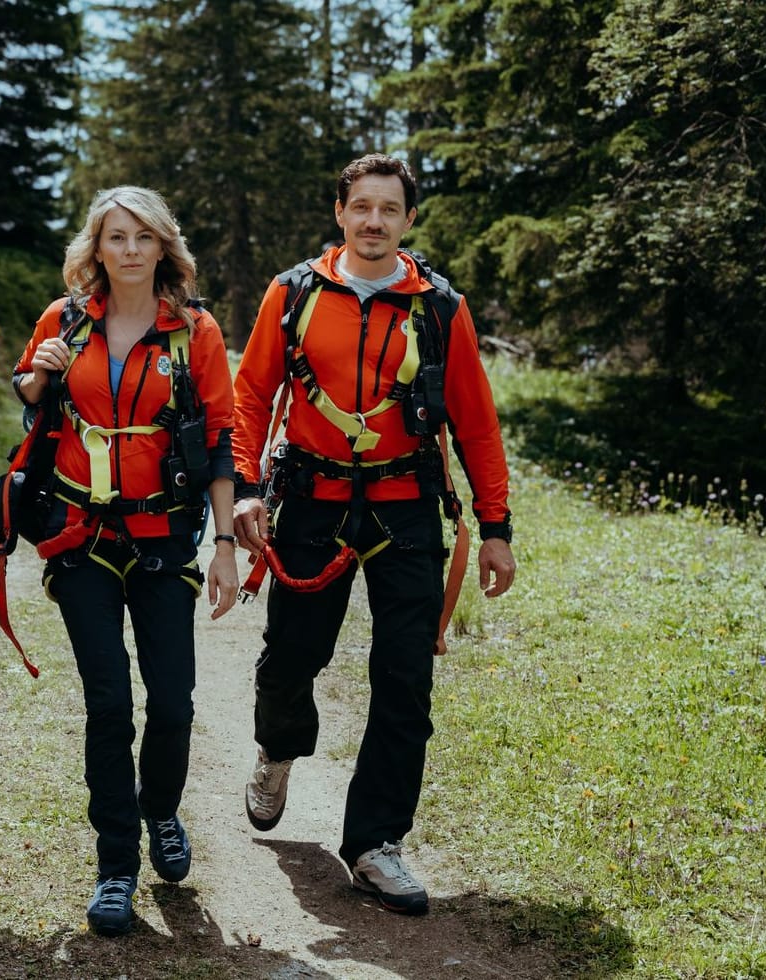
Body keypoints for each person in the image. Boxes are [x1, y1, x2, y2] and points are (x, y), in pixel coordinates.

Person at [230, 153, 516, 915]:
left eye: (388, 210)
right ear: (340, 213)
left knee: (403, 682)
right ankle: (277, 751)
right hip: (312, 500)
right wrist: (247, 489)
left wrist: (495, 526)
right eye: (361, 207)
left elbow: (476, 423)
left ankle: (373, 845)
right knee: (292, 656)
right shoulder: (292, 295)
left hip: (406, 507)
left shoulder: (440, 308)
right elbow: (252, 394)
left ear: (408, 221)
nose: (373, 222)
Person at [11, 186, 238, 936]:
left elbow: (219, 446)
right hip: (80, 537)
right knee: (109, 703)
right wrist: (36, 371)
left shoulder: (195, 332)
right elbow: (29, 395)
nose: (131, 249)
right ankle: (115, 864)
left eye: (143, 236)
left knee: (171, 703)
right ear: (97, 249)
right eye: (116, 237)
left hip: (165, 539)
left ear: (163, 246)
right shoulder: (65, 319)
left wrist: (227, 544)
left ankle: (162, 812)